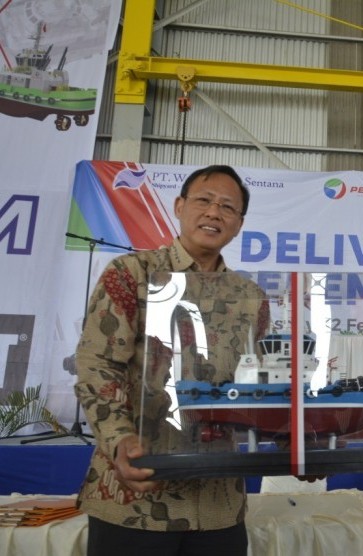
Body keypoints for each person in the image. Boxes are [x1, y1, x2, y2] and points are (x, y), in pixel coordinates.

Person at [74, 165, 269, 556]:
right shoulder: (131, 274)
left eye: (227, 207)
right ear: (179, 207)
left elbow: (256, 388)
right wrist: (119, 440)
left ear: (238, 223)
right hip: (136, 499)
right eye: (204, 200)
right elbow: (97, 365)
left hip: (219, 506)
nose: (214, 212)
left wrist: (303, 443)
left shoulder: (251, 298)